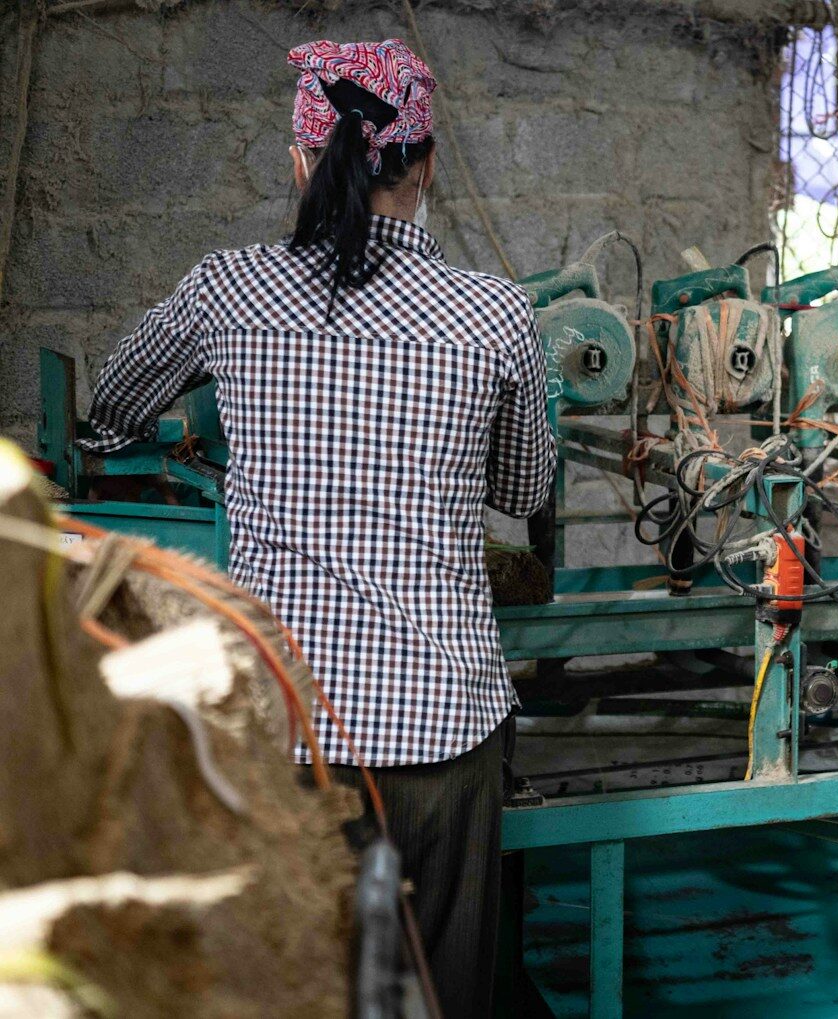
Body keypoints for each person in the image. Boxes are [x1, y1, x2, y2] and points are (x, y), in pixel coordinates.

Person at [80, 38, 553, 1017]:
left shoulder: (229, 288)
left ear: (301, 162)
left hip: (285, 736)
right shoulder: (497, 314)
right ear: (424, 167)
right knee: (446, 995)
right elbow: (521, 485)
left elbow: (113, 409)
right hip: (444, 731)